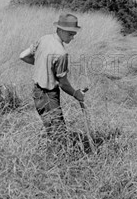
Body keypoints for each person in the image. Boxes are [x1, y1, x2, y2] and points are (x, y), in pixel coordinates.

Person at [19, 13, 87, 145]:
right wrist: (76, 94)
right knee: (59, 135)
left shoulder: (44, 39)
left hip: (37, 92)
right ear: (60, 30)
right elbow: (63, 83)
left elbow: (23, 56)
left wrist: (43, 66)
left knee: (51, 129)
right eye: (70, 34)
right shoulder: (61, 53)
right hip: (49, 96)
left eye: (74, 34)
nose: (73, 37)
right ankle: (57, 162)